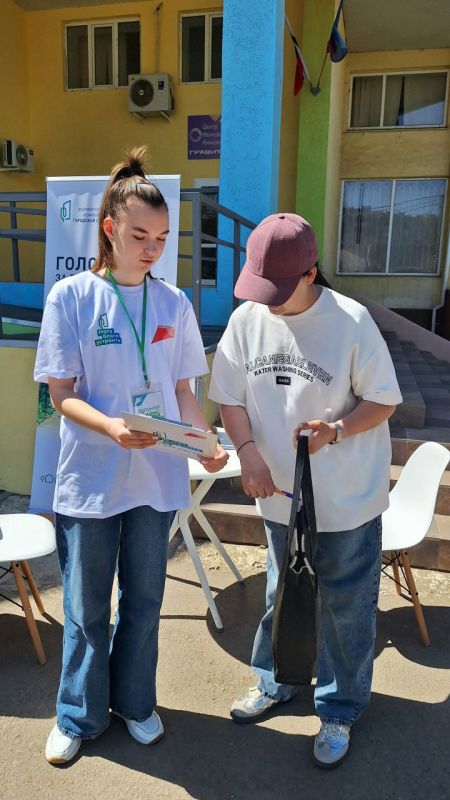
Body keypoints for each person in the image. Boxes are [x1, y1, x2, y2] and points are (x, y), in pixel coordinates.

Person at [34, 147, 228, 765]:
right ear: (109, 229)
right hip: (91, 477)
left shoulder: (174, 303)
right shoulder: (71, 297)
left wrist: (206, 441)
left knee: (144, 601)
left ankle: (137, 704)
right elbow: (60, 395)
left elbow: (182, 392)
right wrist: (112, 427)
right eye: (140, 236)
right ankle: (78, 714)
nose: (152, 250)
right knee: (86, 605)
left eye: (162, 239)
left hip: (156, 477)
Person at [208, 212, 402, 769]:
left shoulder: (351, 321)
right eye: (260, 286)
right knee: (281, 594)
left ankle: (339, 707)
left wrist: (336, 430)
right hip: (278, 493)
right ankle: (277, 680)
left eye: (279, 289)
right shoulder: (247, 319)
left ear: (310, 273)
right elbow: (230, 399)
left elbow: (383, 401)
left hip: (347, 498)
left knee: (345, 607)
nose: (267, 302)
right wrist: (247, 453)